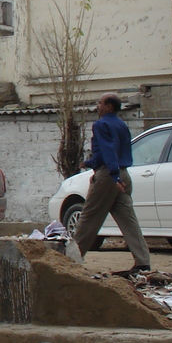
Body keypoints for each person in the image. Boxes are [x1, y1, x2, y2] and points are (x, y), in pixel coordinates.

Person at [71, 93, 151, 277]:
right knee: (128, 220)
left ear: (109, 106)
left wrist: (112, 175)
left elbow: (107, 150)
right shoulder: (121, 124)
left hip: (109, 175)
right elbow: (112, 150)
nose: (96, 106)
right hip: (123, 173)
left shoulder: (101, 124)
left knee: (89, 216)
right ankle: (143, 262)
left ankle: (70, 258)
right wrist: (91, 163)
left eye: (99, 103)